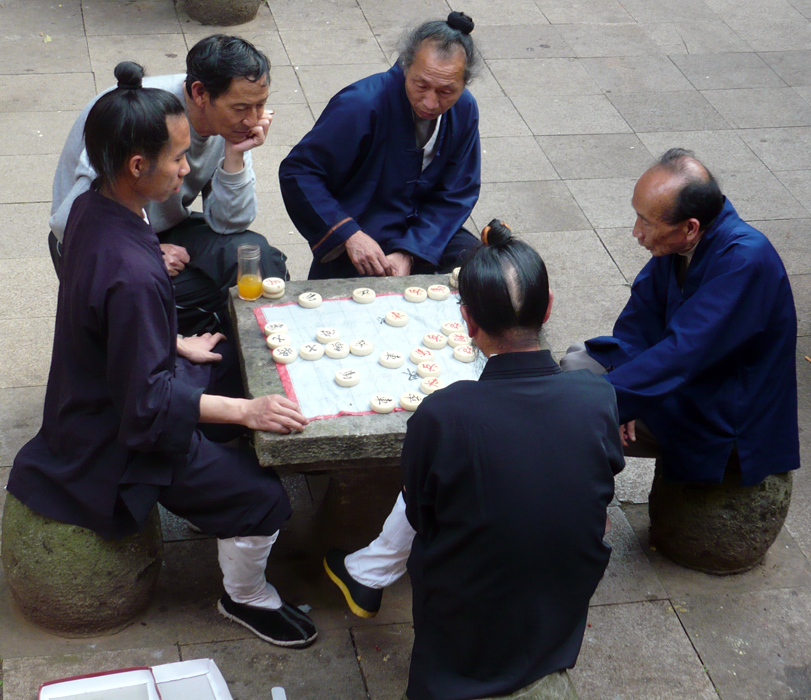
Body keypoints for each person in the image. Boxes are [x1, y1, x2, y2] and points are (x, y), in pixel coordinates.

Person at [9, 63, 317, 649]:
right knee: (267, 500)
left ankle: (215, 476)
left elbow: (99, 327)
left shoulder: (88, 210)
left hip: (111, 382)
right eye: (178, 158)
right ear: (136, 165)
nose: (185, 170)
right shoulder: (133, 273)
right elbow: (145, 409)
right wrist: (246, 414)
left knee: (224, 357)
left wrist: (174, 343)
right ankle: (244, 596)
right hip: (119, 437)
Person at [326, 221, 623, 700]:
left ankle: (369, 575)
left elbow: (421, 516)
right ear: (548, 307)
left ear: (467, 323)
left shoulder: (444, 413)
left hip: (463, 628)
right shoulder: (596, 396)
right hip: (559, 611)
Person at [561, 148, 800, 486]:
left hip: (721, 412)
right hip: (681, 381)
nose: (636, 232)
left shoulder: (745, 261)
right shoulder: (682, 241)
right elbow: (639, 320)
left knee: (572, 413)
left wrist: (614, 400)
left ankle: (584, 519)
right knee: (578, 362)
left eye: (646, 222)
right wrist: (624, 391)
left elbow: (682, 355)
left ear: (690, 227)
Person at [49, 35, 287, 336]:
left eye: (261, 105)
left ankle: (263, 363)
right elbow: (68, 222)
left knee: (258, 261)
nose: (253, 120)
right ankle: (184, 361)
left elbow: (231, 223)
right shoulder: (139, 115)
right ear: (200, 93)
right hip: (101, 247)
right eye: (241, 108)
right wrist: (146, 249)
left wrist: (235, 155)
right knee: (213, 299)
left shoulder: (233, 124)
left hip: (165, 227)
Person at [279, 12, 482, 280]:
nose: (431, 103)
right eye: (421, 85)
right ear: (405, 67)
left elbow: (457, 192)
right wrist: (348, 235)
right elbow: (299, 172)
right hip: (362, 232)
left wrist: (410, 251)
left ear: (464, 83)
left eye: (446, 91)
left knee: (481, 271)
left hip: (425, 234)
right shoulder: (360, 104)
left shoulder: (464, 109)